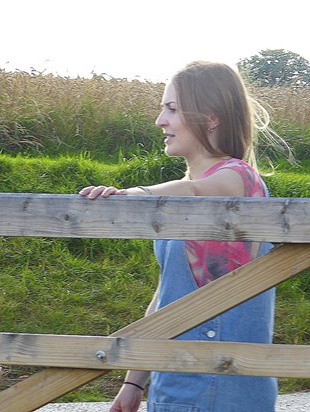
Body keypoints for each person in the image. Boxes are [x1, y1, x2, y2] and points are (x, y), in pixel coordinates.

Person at [80, 61, 279, 412]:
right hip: (177, 383)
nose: (161, 121)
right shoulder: (194, 191)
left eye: (171, 109)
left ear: (211, 117)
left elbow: (195, 189)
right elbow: (166, 300)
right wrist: (133, 381)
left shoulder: (237, 179)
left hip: (218, 387)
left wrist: (135, 194)